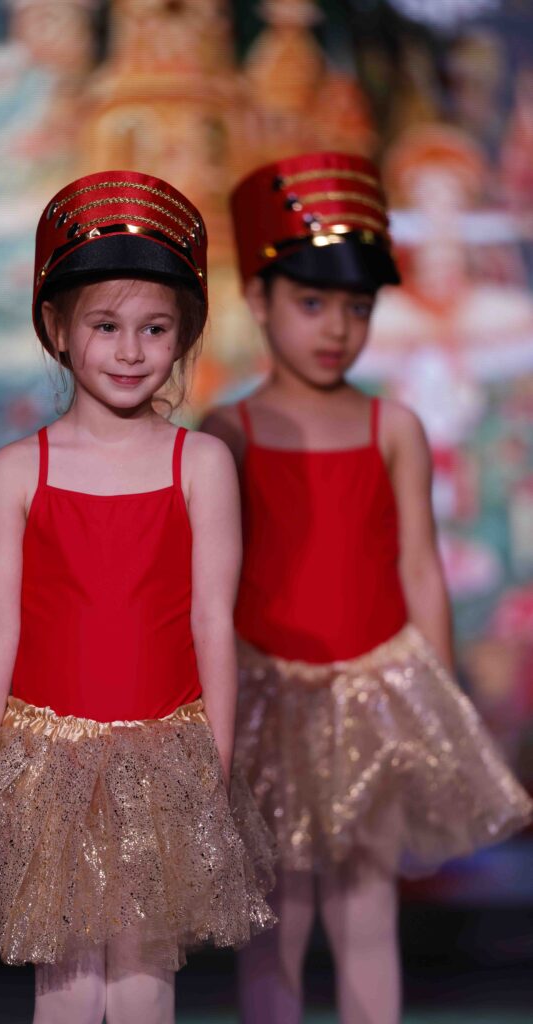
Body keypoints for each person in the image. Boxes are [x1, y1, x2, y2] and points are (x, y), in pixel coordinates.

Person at [0, 169, 275, 1024]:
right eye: (106, 326)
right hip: (48, 764)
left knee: (144, 988)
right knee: (67, 992)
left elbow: (211, 620)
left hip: (164, 759)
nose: (130, 350)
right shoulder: (18, 471)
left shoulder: (200, 464)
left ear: (184, 334)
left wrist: (215, 760)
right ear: (57, 329)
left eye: (155, 328)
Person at [201, 151, 532, 1024]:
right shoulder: (228, 430)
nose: (336, 329)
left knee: (364, 909)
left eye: (356, 308)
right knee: (276, 916)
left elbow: (418, 564)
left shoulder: (393, 425)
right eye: (311, 304)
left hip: (372, 696)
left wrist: (435, 701)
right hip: (267, 695)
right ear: (259, 300)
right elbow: (210, 580)